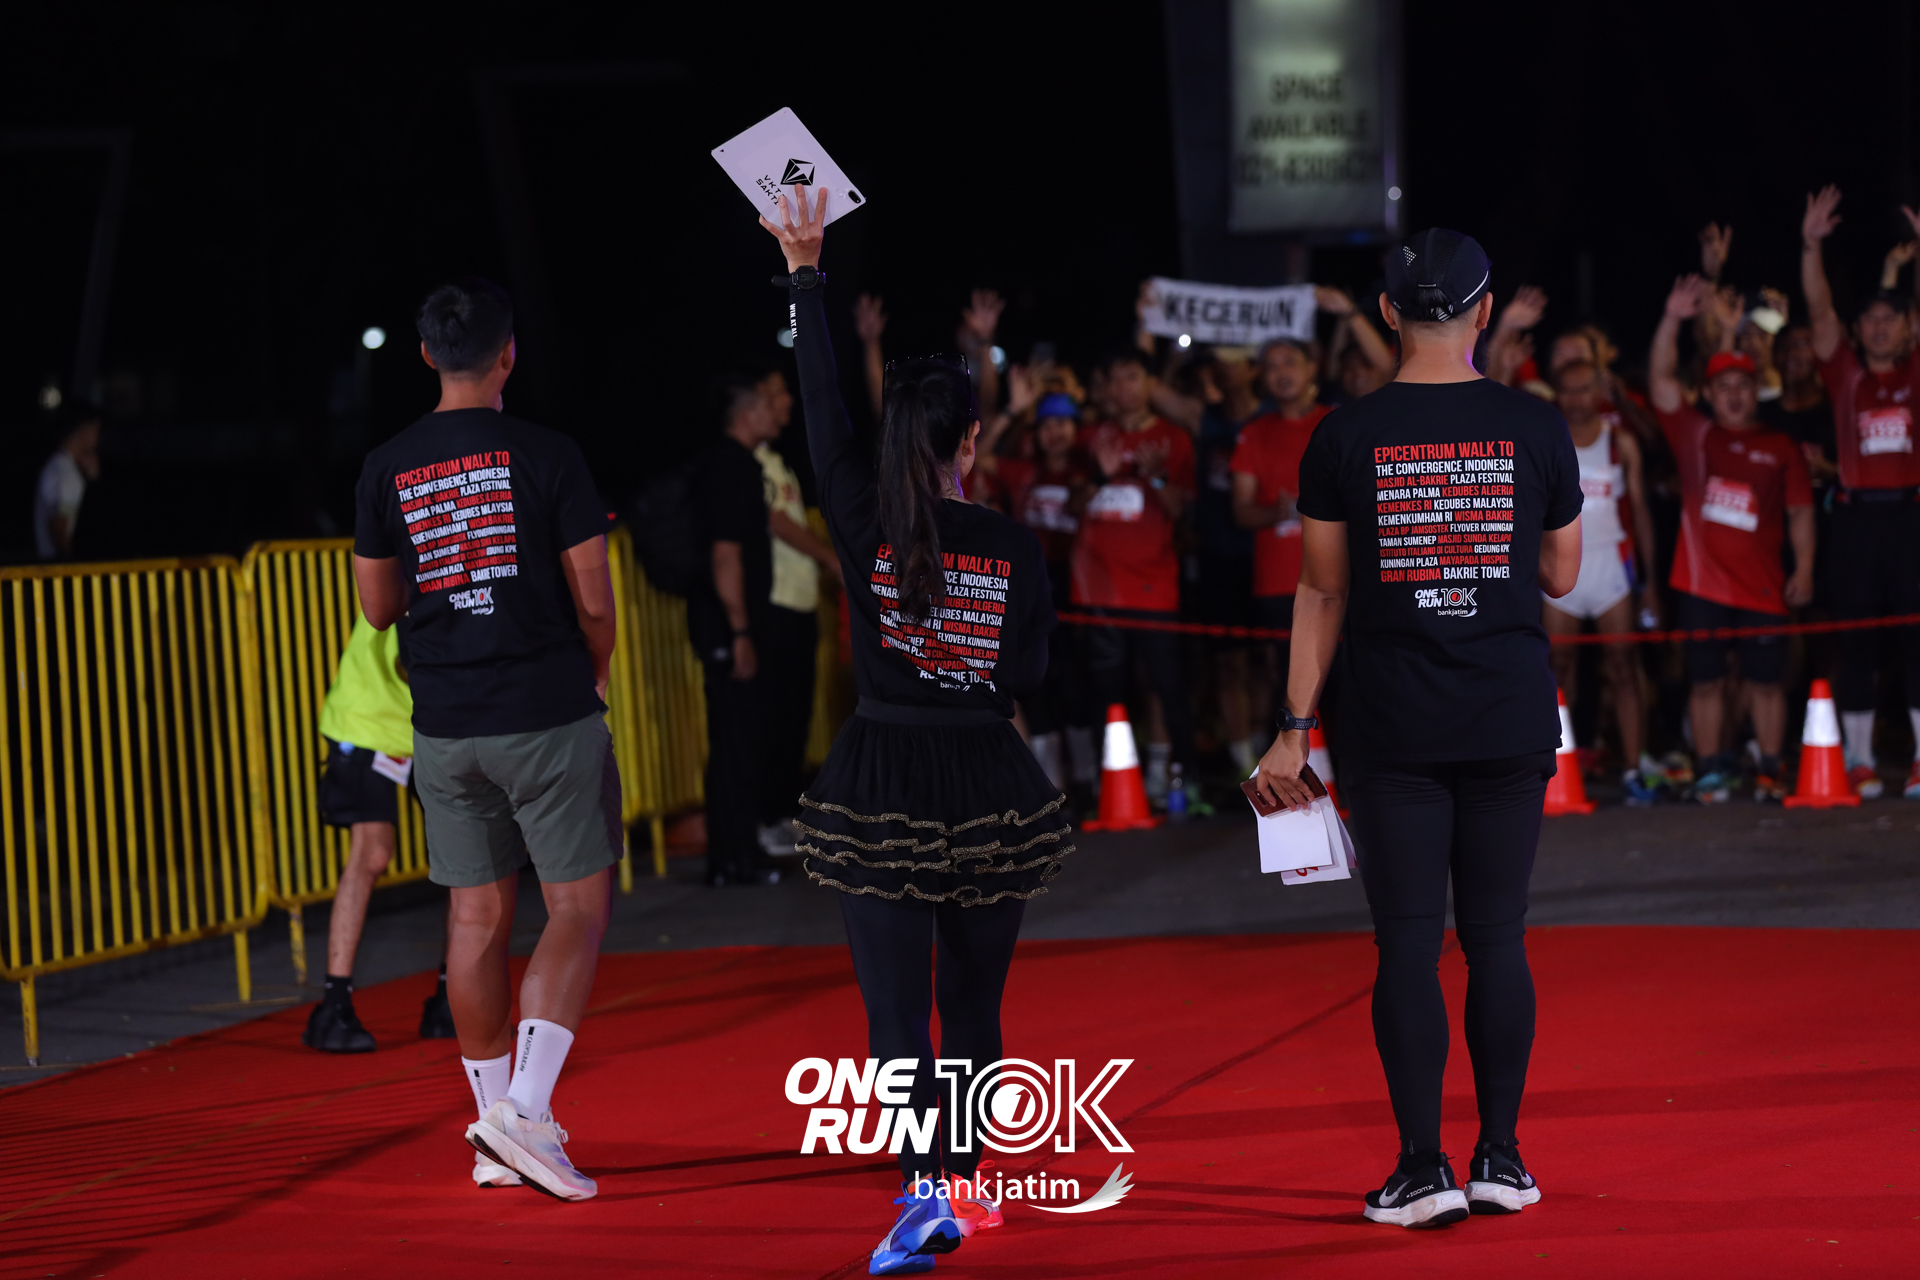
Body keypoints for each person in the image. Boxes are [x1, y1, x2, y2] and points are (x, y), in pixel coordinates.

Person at [760, 184, 1071, 1274]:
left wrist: (806, 273)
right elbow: (1027, 673)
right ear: (971, 441)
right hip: (988, 779)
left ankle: (923, 1186)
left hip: (881, 777)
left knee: (896, 1011)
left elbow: (821, 406)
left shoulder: (860, 516)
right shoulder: (1014, 545)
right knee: (972, 1001)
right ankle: (970, 1182)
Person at [1254, 227, 1585, 1229]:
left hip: (1390, 723)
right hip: (1507, 714)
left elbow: (1321, 589)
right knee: (1496, 937)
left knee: (1406, 945)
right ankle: (1502, 1158)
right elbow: (1561, 574)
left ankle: (1420, 1169)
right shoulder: (1534, 425)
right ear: (1484, 311)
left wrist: (1293, 728)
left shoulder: (1343, 434)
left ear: (1389, 313)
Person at [353, 277, 619, 1201]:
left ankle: (492, 1130)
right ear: (510, 354)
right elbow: (594, 597)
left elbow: (377, 607)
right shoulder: (548, 454)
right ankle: (526, 1117)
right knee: (575, 908)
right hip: (543, 708)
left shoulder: (386, 466)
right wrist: (593, 671)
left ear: (428, 354)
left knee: (474, 919)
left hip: (445, 725)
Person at [1649, 276, 1815, 804]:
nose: (1735, 395)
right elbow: (1659, 380)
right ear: (1709, 395)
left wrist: (1805, 569)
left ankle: (1769, 769)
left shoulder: (1781, 445)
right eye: (1723, 387)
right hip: (1702, 585)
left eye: (1743, 385)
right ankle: (1710, 769)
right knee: (1705, 682)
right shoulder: (1694, 435)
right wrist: (1672, 317)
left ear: (1755, 389)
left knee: (1766, 683)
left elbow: (1801, 512)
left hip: (1763, 586)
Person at [1801, 186, 1920, 799]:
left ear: (1908, 327)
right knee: (1857, 641)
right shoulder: (1844, 373)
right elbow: (1820, 311)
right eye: (1869, 320)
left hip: (1910, 518)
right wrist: (1811, 246)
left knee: (1918, 640)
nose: (1878, 327)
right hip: (1854, 522)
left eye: (1889, 319)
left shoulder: (1914, 373)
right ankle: (1860, 760)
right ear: (1858, 330)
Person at [302, 613, 459, 1055]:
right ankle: (333, 1005)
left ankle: (453, 996)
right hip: (369, 720)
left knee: (463, 854)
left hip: (430, 724)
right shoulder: (413, 575)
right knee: (372, 853)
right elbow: (415, 656)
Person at [1070, 348, 1198, 804]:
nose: (1124, 387)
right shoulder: (1090, 438)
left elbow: (1179, 509)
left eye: (1132, 376)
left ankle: (1183, 782)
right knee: (1106, 694)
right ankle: (1110, 786)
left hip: (1153, 589)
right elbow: (1072, 506)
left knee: (1168, 687)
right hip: (1098, 590)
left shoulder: (1173, 439)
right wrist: (1101, 476)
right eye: (1115, 378)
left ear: (1149, 383)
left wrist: (1156, 476)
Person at [1541, 359, 1663, 804]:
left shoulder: (1619, 442)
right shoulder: (1549, 442)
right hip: (1563, 571)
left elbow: (1642, 514)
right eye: (1568, 390)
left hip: (1611, 567)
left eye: (1583, 389)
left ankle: (1633, 768)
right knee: (1558, 671)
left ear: (1599, 393)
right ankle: (1557, 769)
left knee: (1623, 669)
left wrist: (1650, 583)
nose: (1576, 399)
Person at [690, 374, 784, 885]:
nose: (777, 412)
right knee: (735, 741)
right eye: (767, 404)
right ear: (746, 414)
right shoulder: (732, 468)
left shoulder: (729, 464)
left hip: (730, 626)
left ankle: (739, 851)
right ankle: (731, 858)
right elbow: (725, 555)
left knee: (743, 736)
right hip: (728, 629)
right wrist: (741, 632)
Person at [754, 365, 842, 856]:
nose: (785, 402)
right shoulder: (753, 463)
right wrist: (829, 557)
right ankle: (767, 818)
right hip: (776, 606)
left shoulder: (777, 461)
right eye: (775, 394)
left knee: (796, 716)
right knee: (776, 716)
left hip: (799, 602)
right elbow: (776, 522)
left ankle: (784, 814)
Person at [1229, 337, 1333, 741]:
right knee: (1283, 680)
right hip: (1276, 582)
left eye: (1289, 362)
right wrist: (1279, 512)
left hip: (1336, 578)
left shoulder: (1336, 423)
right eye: (1271, 366)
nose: (1280, 373)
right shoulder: (1254, 433)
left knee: (1340, 680)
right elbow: (1241, 510)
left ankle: (1344, 770)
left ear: (1312, 368)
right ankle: (1287, 769)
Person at [34, 407, 101, 560]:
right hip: (57, 567)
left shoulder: (60, 466)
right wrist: (68, 565)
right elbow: (59, 525)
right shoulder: (65, 471)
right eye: (96, 430)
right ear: (84, 431)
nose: (98, 438)